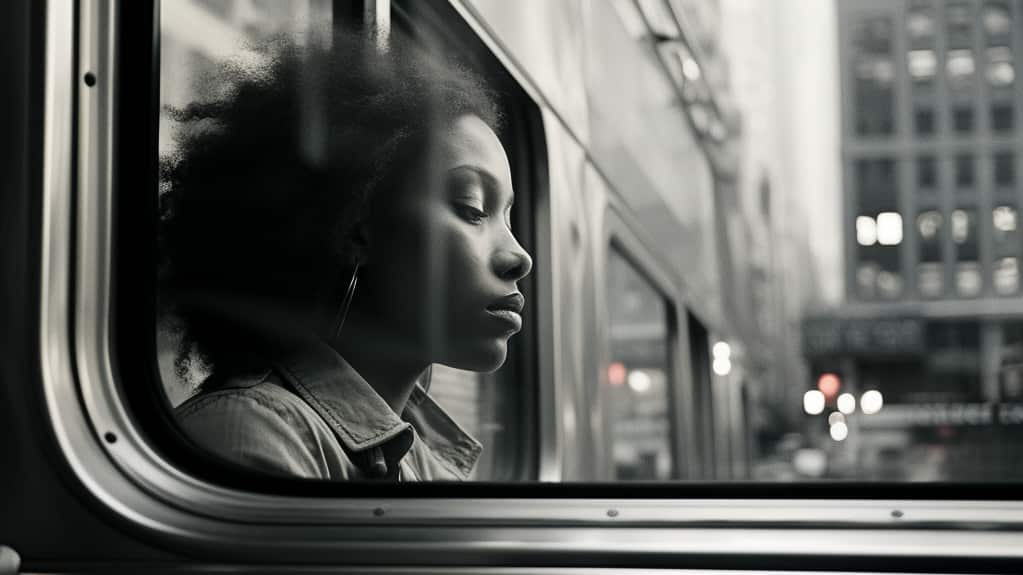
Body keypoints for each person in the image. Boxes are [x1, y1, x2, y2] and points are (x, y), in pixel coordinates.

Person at [160, 31, 532, 481]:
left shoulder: (423, 461)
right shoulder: (248, 434)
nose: (519, 256)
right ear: (355, 228)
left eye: (507, 216)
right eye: (472, 208)